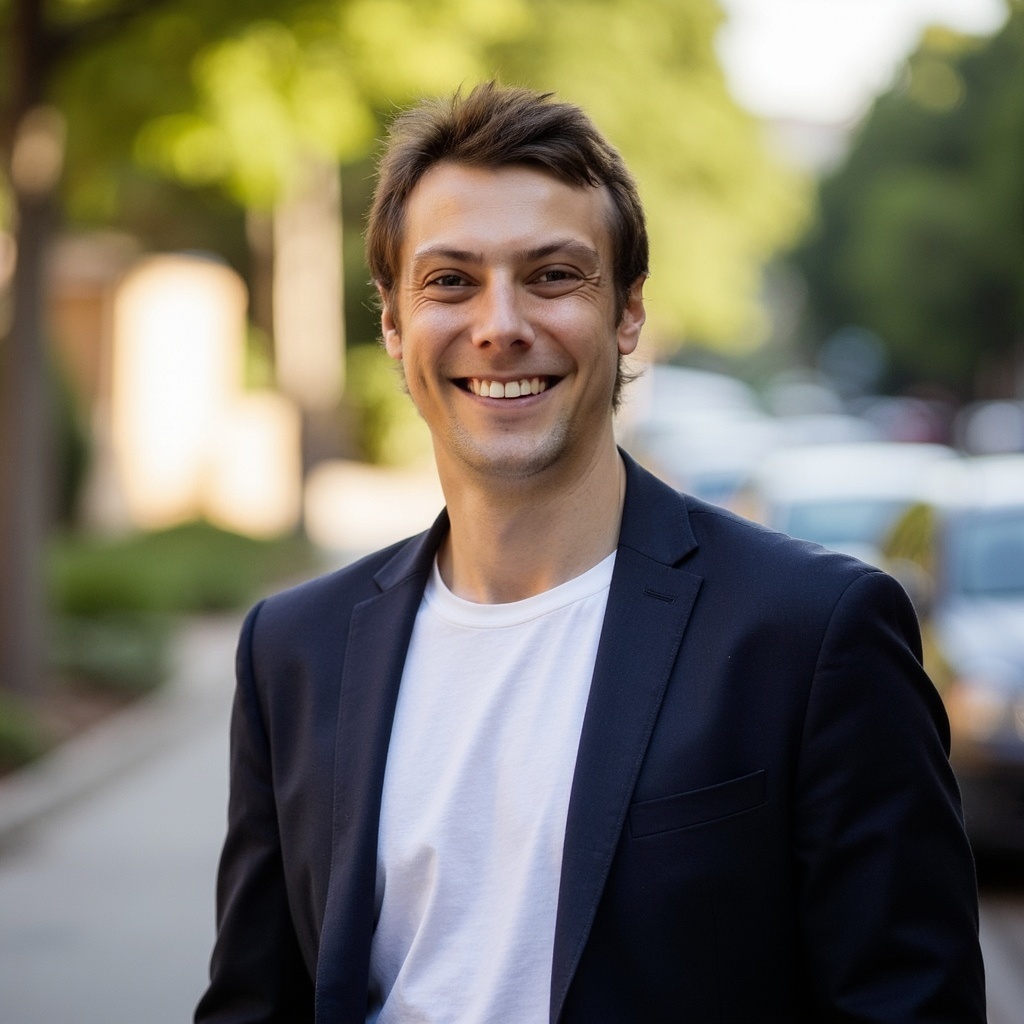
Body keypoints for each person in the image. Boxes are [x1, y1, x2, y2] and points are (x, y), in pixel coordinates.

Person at [196, 82, 985, 1023]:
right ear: (394, 324)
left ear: (627, 315)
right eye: (450, 280)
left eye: (553, 276)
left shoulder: (812, 635)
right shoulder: (294, 648)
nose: (500, 323)